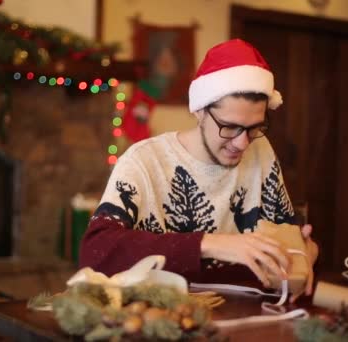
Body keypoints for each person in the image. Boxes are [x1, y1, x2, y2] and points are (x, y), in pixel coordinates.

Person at [79, 39, 318, 302]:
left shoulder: (261, 151)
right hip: (167, 319)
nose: (243, 142)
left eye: (254, 128)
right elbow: (95, 255)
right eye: (229, 126)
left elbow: (283, 234)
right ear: (200, 111)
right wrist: (211, 243)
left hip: (247, 311)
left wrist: (302, 252)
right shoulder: (143, 162)